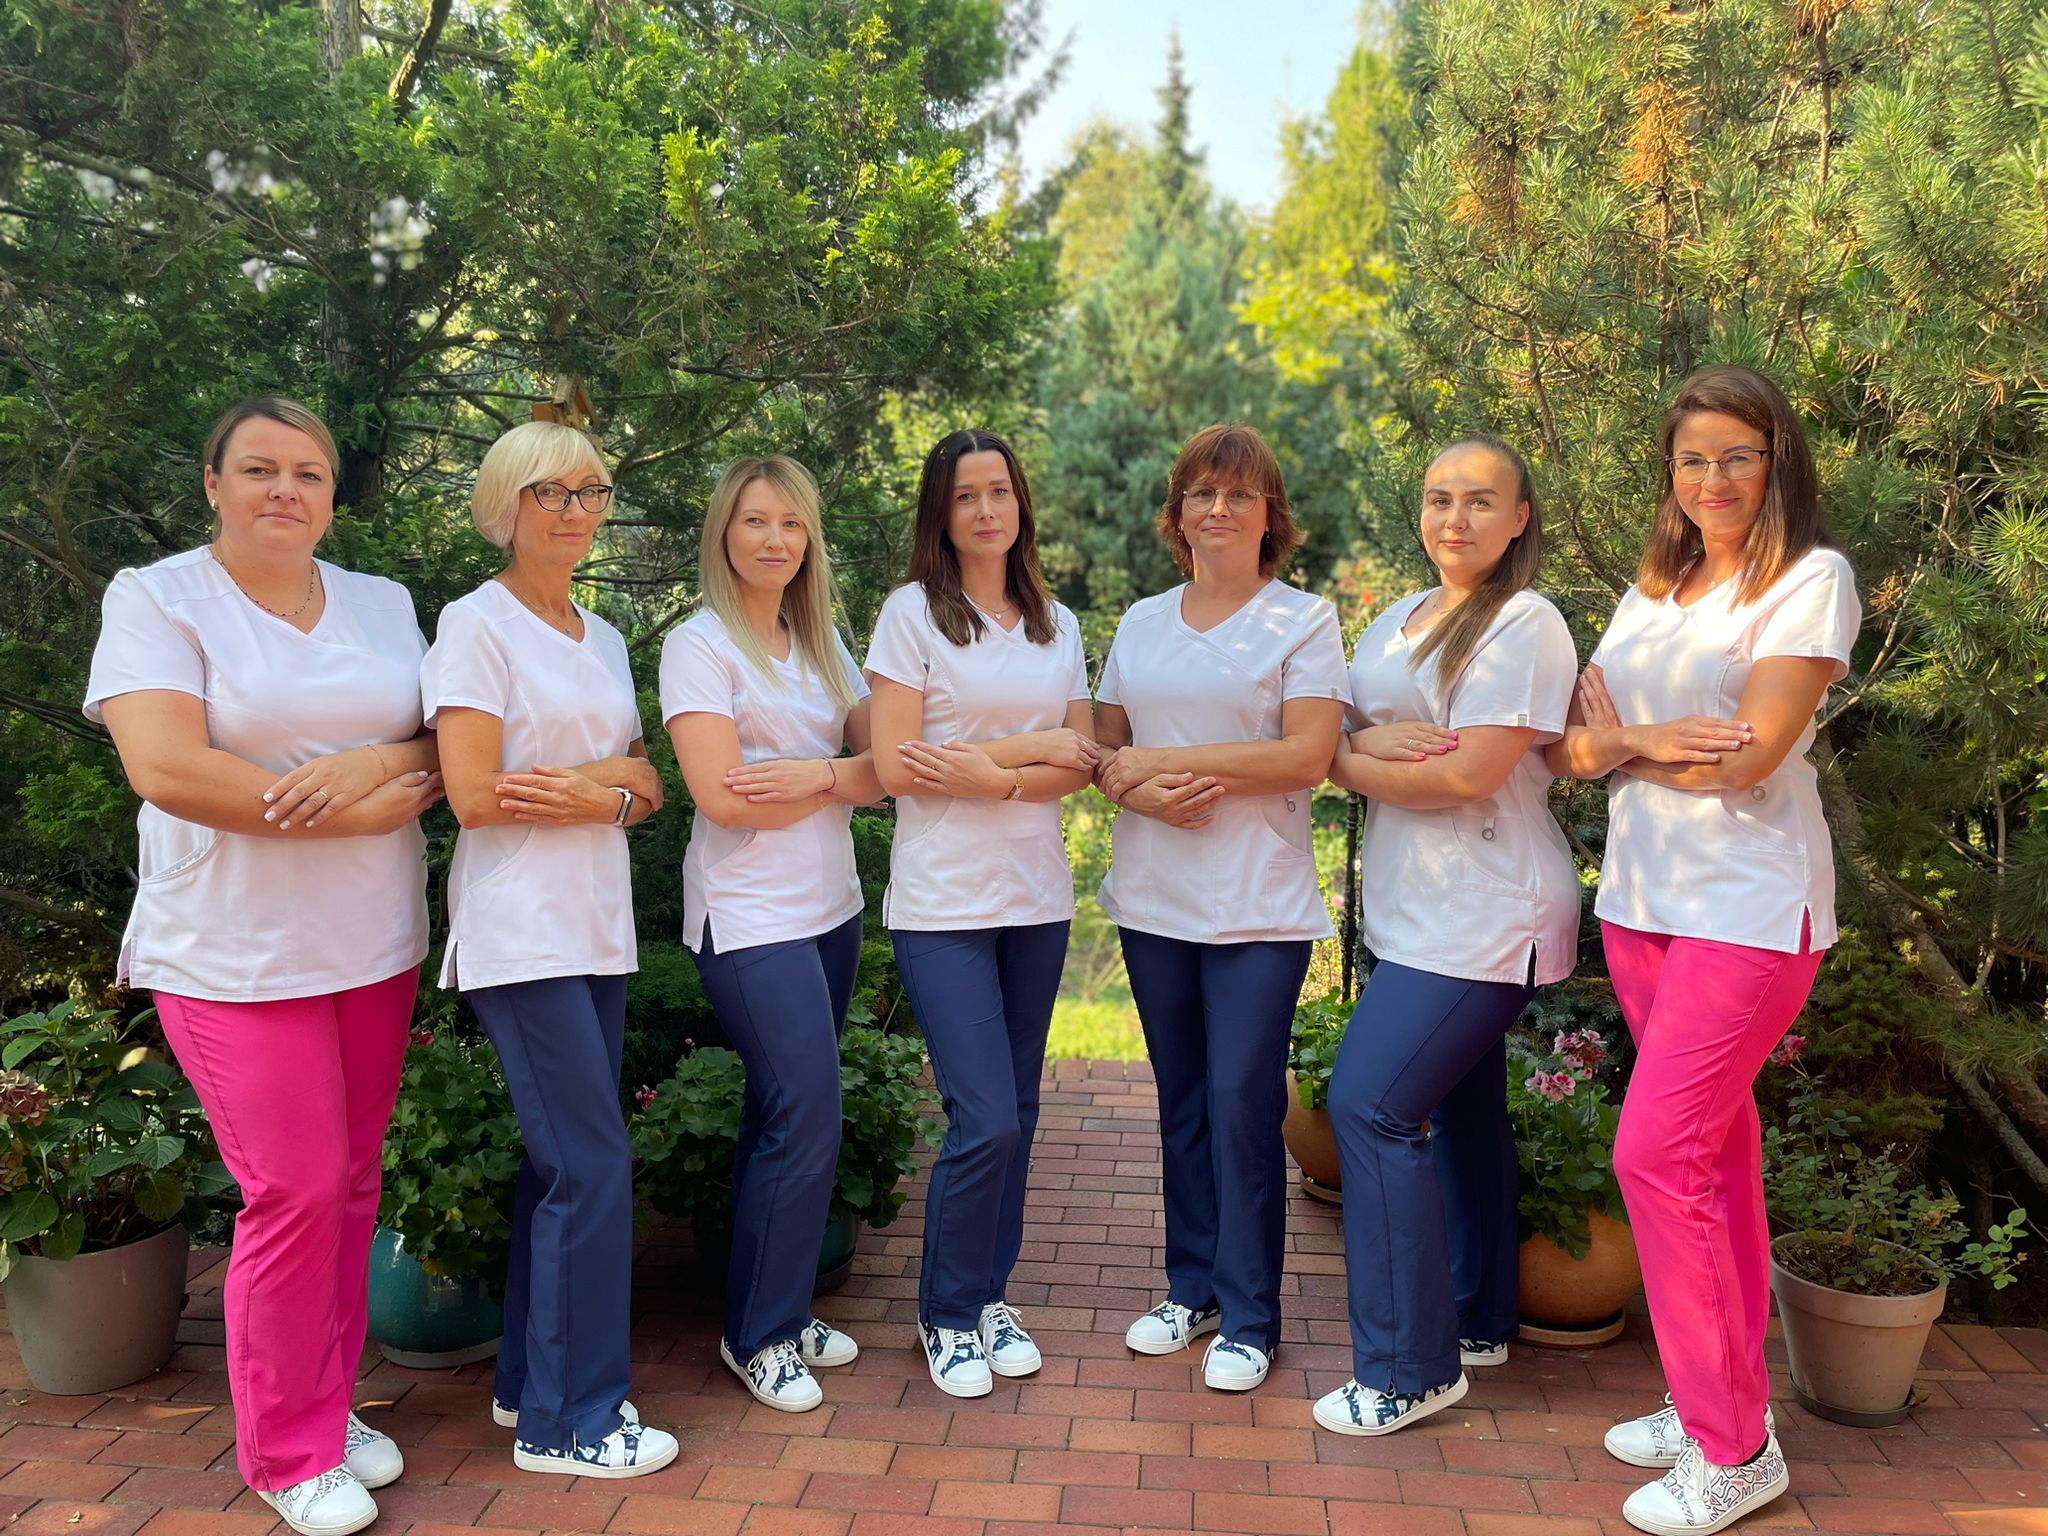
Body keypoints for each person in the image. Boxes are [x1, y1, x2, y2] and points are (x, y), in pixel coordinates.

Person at [86, 396, 443, 1536]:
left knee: (351, 1182)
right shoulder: (157, 598)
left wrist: (375, 766)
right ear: (213, 483)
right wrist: (344, 810)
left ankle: (326, 1405)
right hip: (230, 951)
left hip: (370, 938)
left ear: (333, 494)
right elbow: (167, 765)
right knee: (292, 1188)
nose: (285, 489)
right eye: (258, 468)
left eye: (308, 472)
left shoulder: (382, 603)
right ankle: (286, 1449)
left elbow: (442, 739)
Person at [1546, 365, 1859, 1536]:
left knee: (1656, 1154)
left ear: (1775, 461)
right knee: (1713, 1160)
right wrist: (1640, 741)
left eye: (1735, 455)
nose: (1711, 478)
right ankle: (1707, 1399)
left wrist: (1619, 744)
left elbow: (1752, 756)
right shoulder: (1654, 587)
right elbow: (1568, 750)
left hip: (1748, 907)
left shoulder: (1808, 582)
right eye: (1690, 459)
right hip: (1642, 903)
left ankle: (1731, 1454)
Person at [422, 420, 678, 1479]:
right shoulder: (473, 625)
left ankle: (528, 1384)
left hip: (593, 927)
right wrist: (606, 787)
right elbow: (477, 796)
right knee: (591, 1161)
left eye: (592, 491)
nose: (576, 510)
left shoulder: (602, 636)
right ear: (505, 503)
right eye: (551, 492)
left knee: (558, 1165)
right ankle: (572, 1423)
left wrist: (593, 791)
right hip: (519, 929)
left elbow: (649, 784)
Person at [1312, 437, 1578, 1437]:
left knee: (1370, 1105)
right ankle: (1475, 1317)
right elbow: (1333, 723)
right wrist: (1356, 743)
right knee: (1463, 1111)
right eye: (1438, 498)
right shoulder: (1395, 618)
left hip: (1487, 912)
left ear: (1519, 519)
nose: (1454, 518)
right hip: (1413, 909)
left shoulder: (1523, 621)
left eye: (1479, 501)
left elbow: (1466, 774)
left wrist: (1344, 762)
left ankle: (1406, 1370)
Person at [1094, 423, 1348, 1392]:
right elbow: (1104, 752)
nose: (1218, 509)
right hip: (1153, 900)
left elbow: (1305, 756)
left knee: (1243, 1101)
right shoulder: (1141, 622)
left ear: (1268, 514)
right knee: (1184, 1102)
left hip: (1257, 907)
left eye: (1239, 494)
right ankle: (1191, 1287)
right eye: (1201, 493)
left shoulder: (1303, 621)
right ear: (1177, 514)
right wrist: (1136, 789)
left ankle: (1250, 1316)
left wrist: (1161, 761)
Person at [865, 429, 1096, 1398]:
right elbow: (894, 765)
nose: (986, 509)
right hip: (942, 902)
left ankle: (990, 1296)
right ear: (942, 512)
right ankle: (947, 1313)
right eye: (966, 495)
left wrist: (986, 771)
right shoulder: (910, 615)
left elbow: (1081, 761)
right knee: (985, 1117)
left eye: (999, 490)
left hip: (1035, 897)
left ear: (1019, 503)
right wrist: (1026, 755)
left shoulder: (1057, 623)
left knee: (1020, 1112)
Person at [660, 456, 883, 1412]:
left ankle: (778, 1305)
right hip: (750, 917)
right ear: (724, 531)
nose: (775, 539)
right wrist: (838, 777)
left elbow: (884, 767)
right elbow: (722, 797)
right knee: (808, 1112)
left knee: (777, 1116)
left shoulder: (823, 641)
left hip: (832, 907)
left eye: (792, 523)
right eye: (756, 520)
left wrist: (815, 776)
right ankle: (759, 1336)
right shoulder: (698, 646)